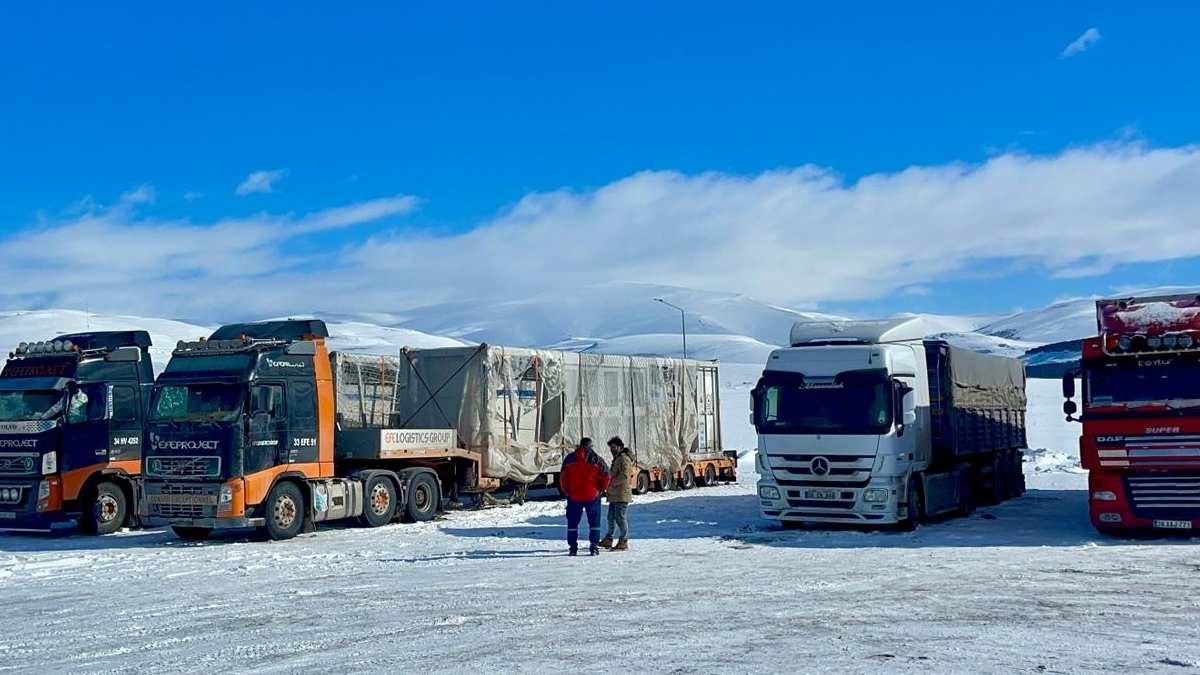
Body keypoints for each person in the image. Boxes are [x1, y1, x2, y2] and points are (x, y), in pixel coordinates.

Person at [559, 437, 610, 556]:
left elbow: (563, 477)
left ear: (579, 446)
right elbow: (607, 475)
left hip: (574, 495)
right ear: (591, 446)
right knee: (594, 522)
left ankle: (573, 547)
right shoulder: (597, 459)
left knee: (572, 522)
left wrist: (566, 490)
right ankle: (594, 546)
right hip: (592, 495)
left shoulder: (570, 459)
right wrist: (601, 488)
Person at [600, 436, 635, 551]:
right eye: (610, 447)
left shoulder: (624, 459)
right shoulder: (617, 458)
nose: (612, 449)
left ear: (620, 447)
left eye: (614, 447)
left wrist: (611, 483)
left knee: (620, 518)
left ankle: (623, 540)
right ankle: (609, 539)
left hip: (621, 494)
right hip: (614, 494)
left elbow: (625, 475)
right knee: (611, 517)